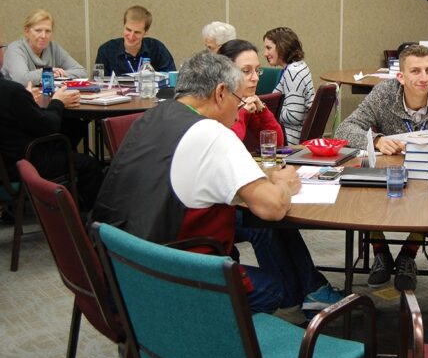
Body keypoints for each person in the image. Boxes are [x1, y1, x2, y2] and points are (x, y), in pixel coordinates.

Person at [89, 51, 334, 324]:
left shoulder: (150, 117)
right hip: (170, 281)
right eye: (238, 100)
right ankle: (216, 340)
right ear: (220, 93)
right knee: (277, 289)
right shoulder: (213, 134)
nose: (238, 111)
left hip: (119, 268)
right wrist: (283, 184)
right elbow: (273, 207)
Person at [218, 39, 341, 320]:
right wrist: (241, 116)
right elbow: (225, 146)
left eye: (257, 70)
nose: (255, 77)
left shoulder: (242, 102)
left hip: (237, 192)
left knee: (276, 216)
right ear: (225, 73)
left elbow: (279, 140)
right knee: (265, 220)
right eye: (246, 71)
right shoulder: (220, 106)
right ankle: (294, 293)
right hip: (217, 205)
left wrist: (260, 113)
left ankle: (309, 289)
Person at [336, 44, 428, 290]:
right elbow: (345, 129)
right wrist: (376, 140)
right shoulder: (384, 92)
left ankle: (409, 253)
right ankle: (380, 250)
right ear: (400, 77)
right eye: (415, 71)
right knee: (367, 188)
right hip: (390, 166)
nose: (425, 78)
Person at [0, 40, 102, 212]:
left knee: (74, 127)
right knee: (89, 165)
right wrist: (57, 101)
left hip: (6, 160)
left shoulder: (13, 92)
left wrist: (28, 101)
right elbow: (48, 127)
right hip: (25, 162)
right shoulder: (11, 91)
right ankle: (91, 221)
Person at [2, 9, 86, 86]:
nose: (43, 36)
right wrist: (48, 72)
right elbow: (21, 80)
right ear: (26, 31)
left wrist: (57, 74)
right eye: (38, 30)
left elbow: (82, 72)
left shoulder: (54, 48)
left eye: (48, 31)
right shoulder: (15, 49)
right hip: (15, 100)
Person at [263, 27, 314, 145]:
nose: (265, 53)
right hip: (292, 134)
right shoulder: (300, 66)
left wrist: (266, 111)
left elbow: (294, 116)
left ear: (282, 46)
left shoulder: (293, 73)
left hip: (290, 138)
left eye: (268, 48)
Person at [95, 5, 176, 76]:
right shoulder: (106, 50)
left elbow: (171, 78)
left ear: (146, 32)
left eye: (137, 32)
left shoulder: (157, 48)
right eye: (128, 30)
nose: (131, 36)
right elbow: (98, 83)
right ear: (124, 25)